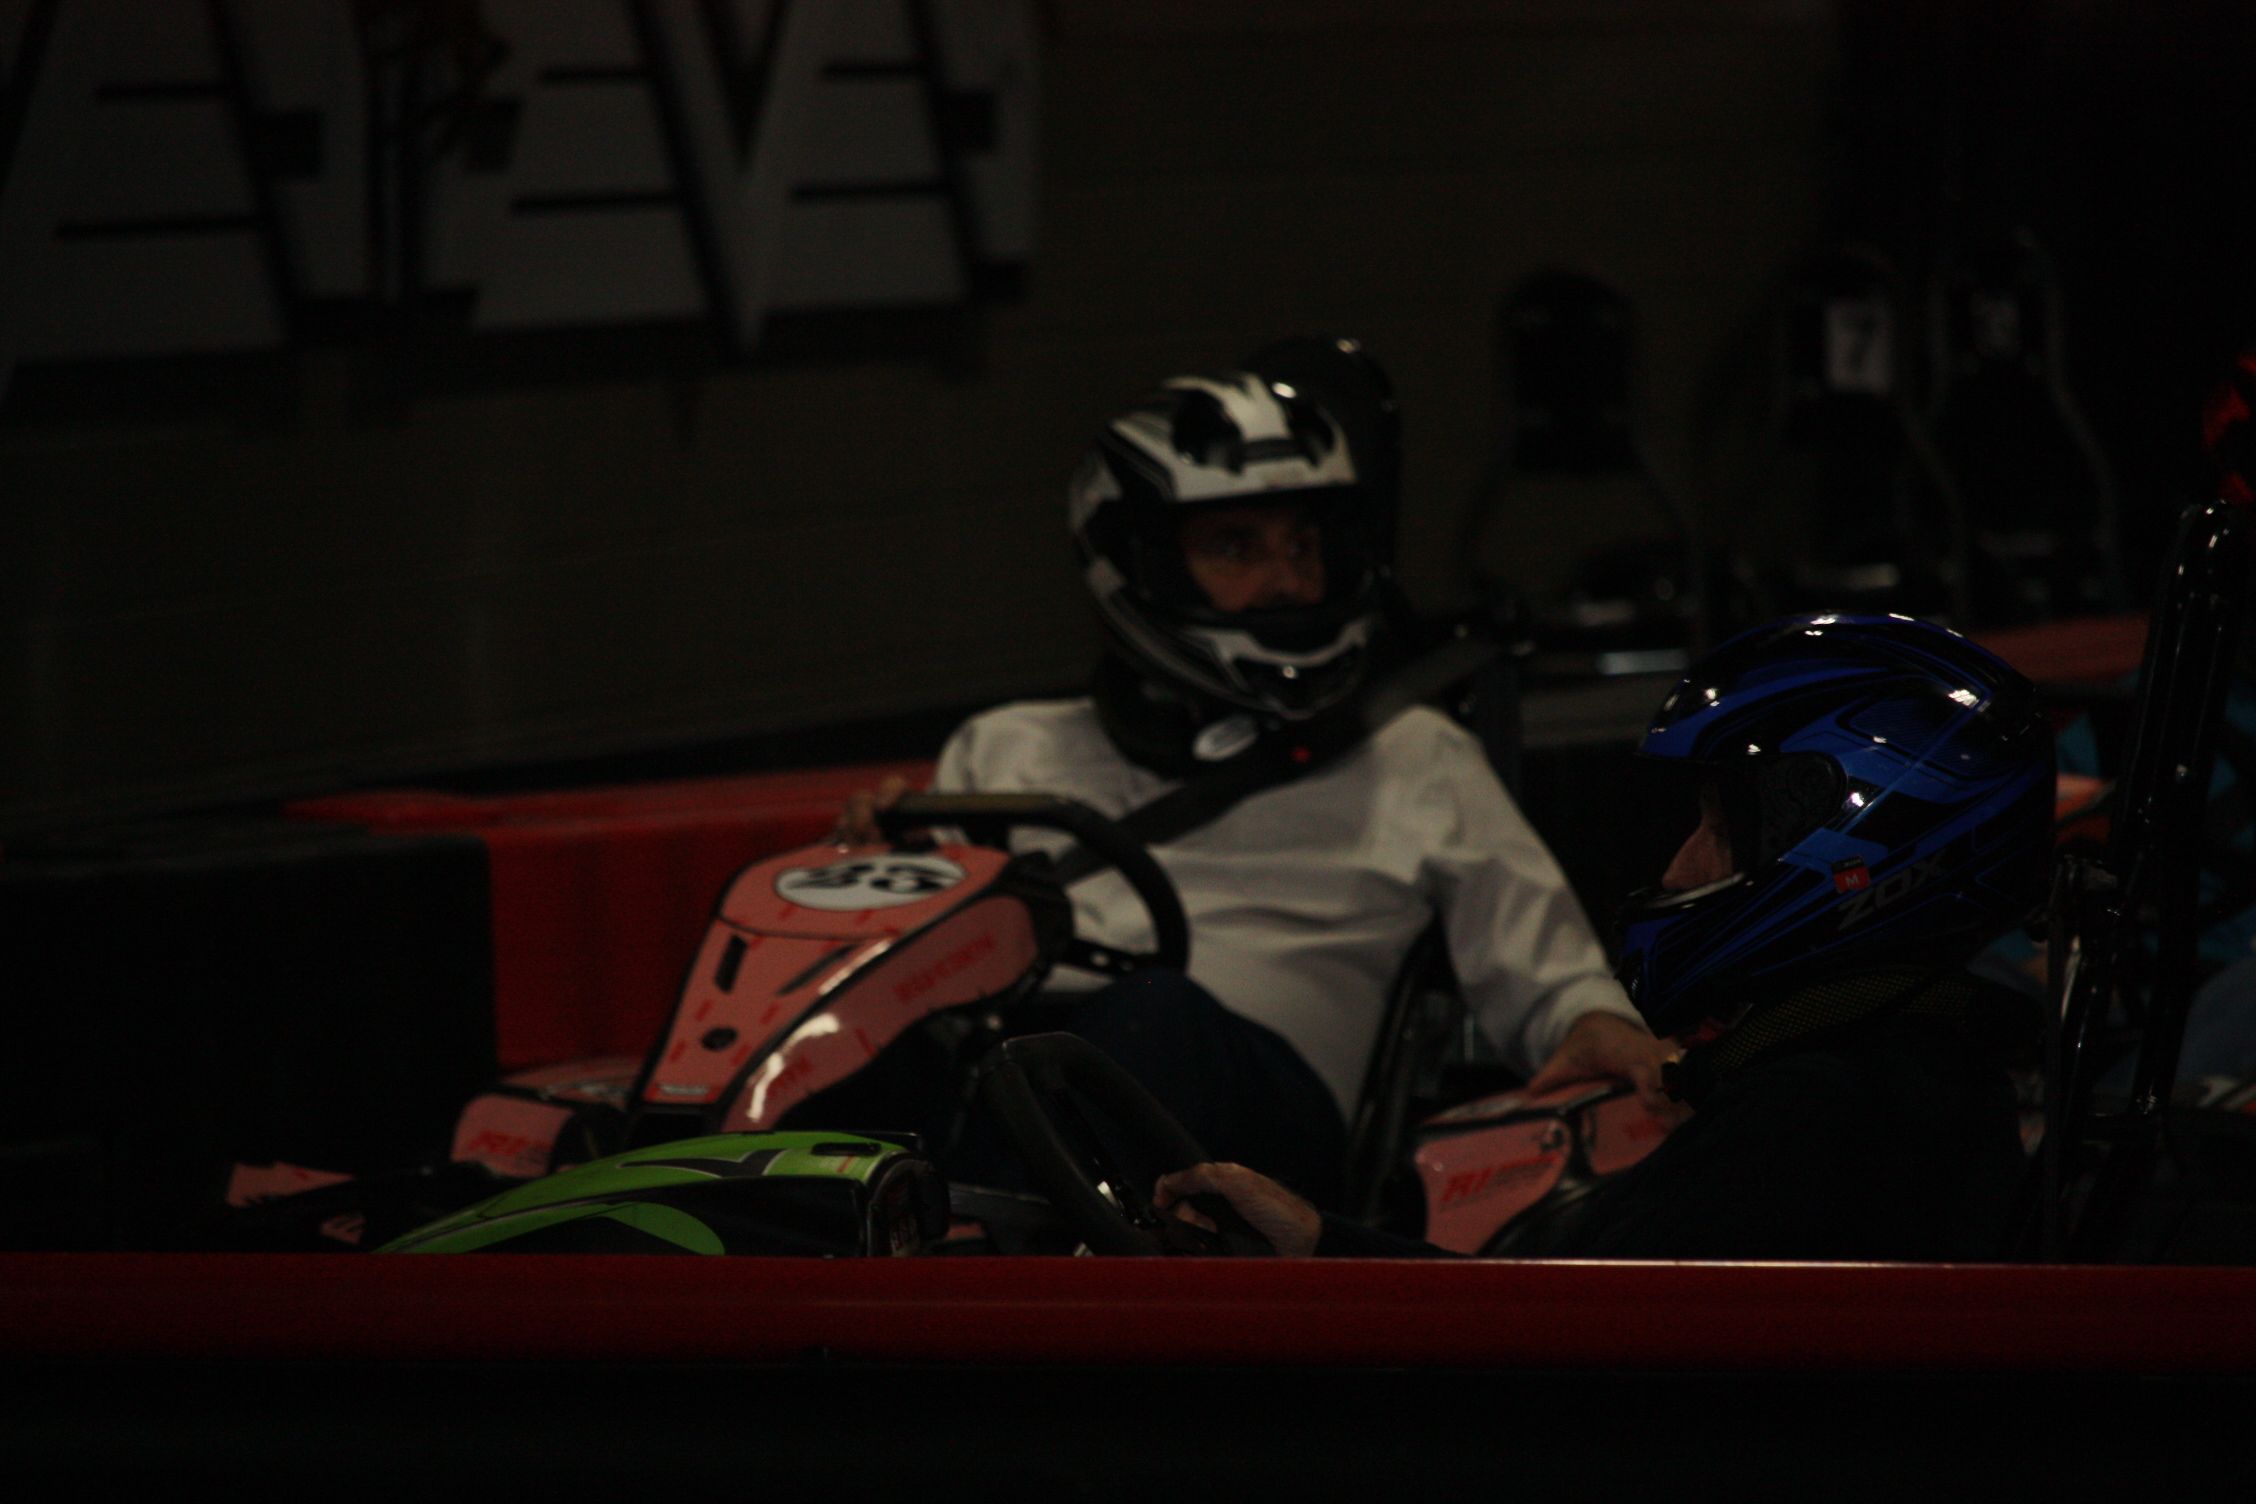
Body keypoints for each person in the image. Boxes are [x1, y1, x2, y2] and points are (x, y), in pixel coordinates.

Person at [841, 355, 1664, 1207]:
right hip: (1022, 1083)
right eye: (1238, 547)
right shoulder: (1006, 747)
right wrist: (870, 878)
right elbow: (916, 978)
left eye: (1302, 546)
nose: (1288, 583)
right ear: (1142, 563)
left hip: (1260, 1133)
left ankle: (986, 1265)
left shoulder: (1417, 756)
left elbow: (1552, 977)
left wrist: (1599, 1023)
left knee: (1152, 1017)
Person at [1159, 612, 2056, 1259]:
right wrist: (1315, 1242)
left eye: (1717, 832)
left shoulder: (1816, 1114)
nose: (1679, 869)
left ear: (1848, 852)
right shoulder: (1923, 1080)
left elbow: (1541, 1350)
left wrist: (1326, 1250)